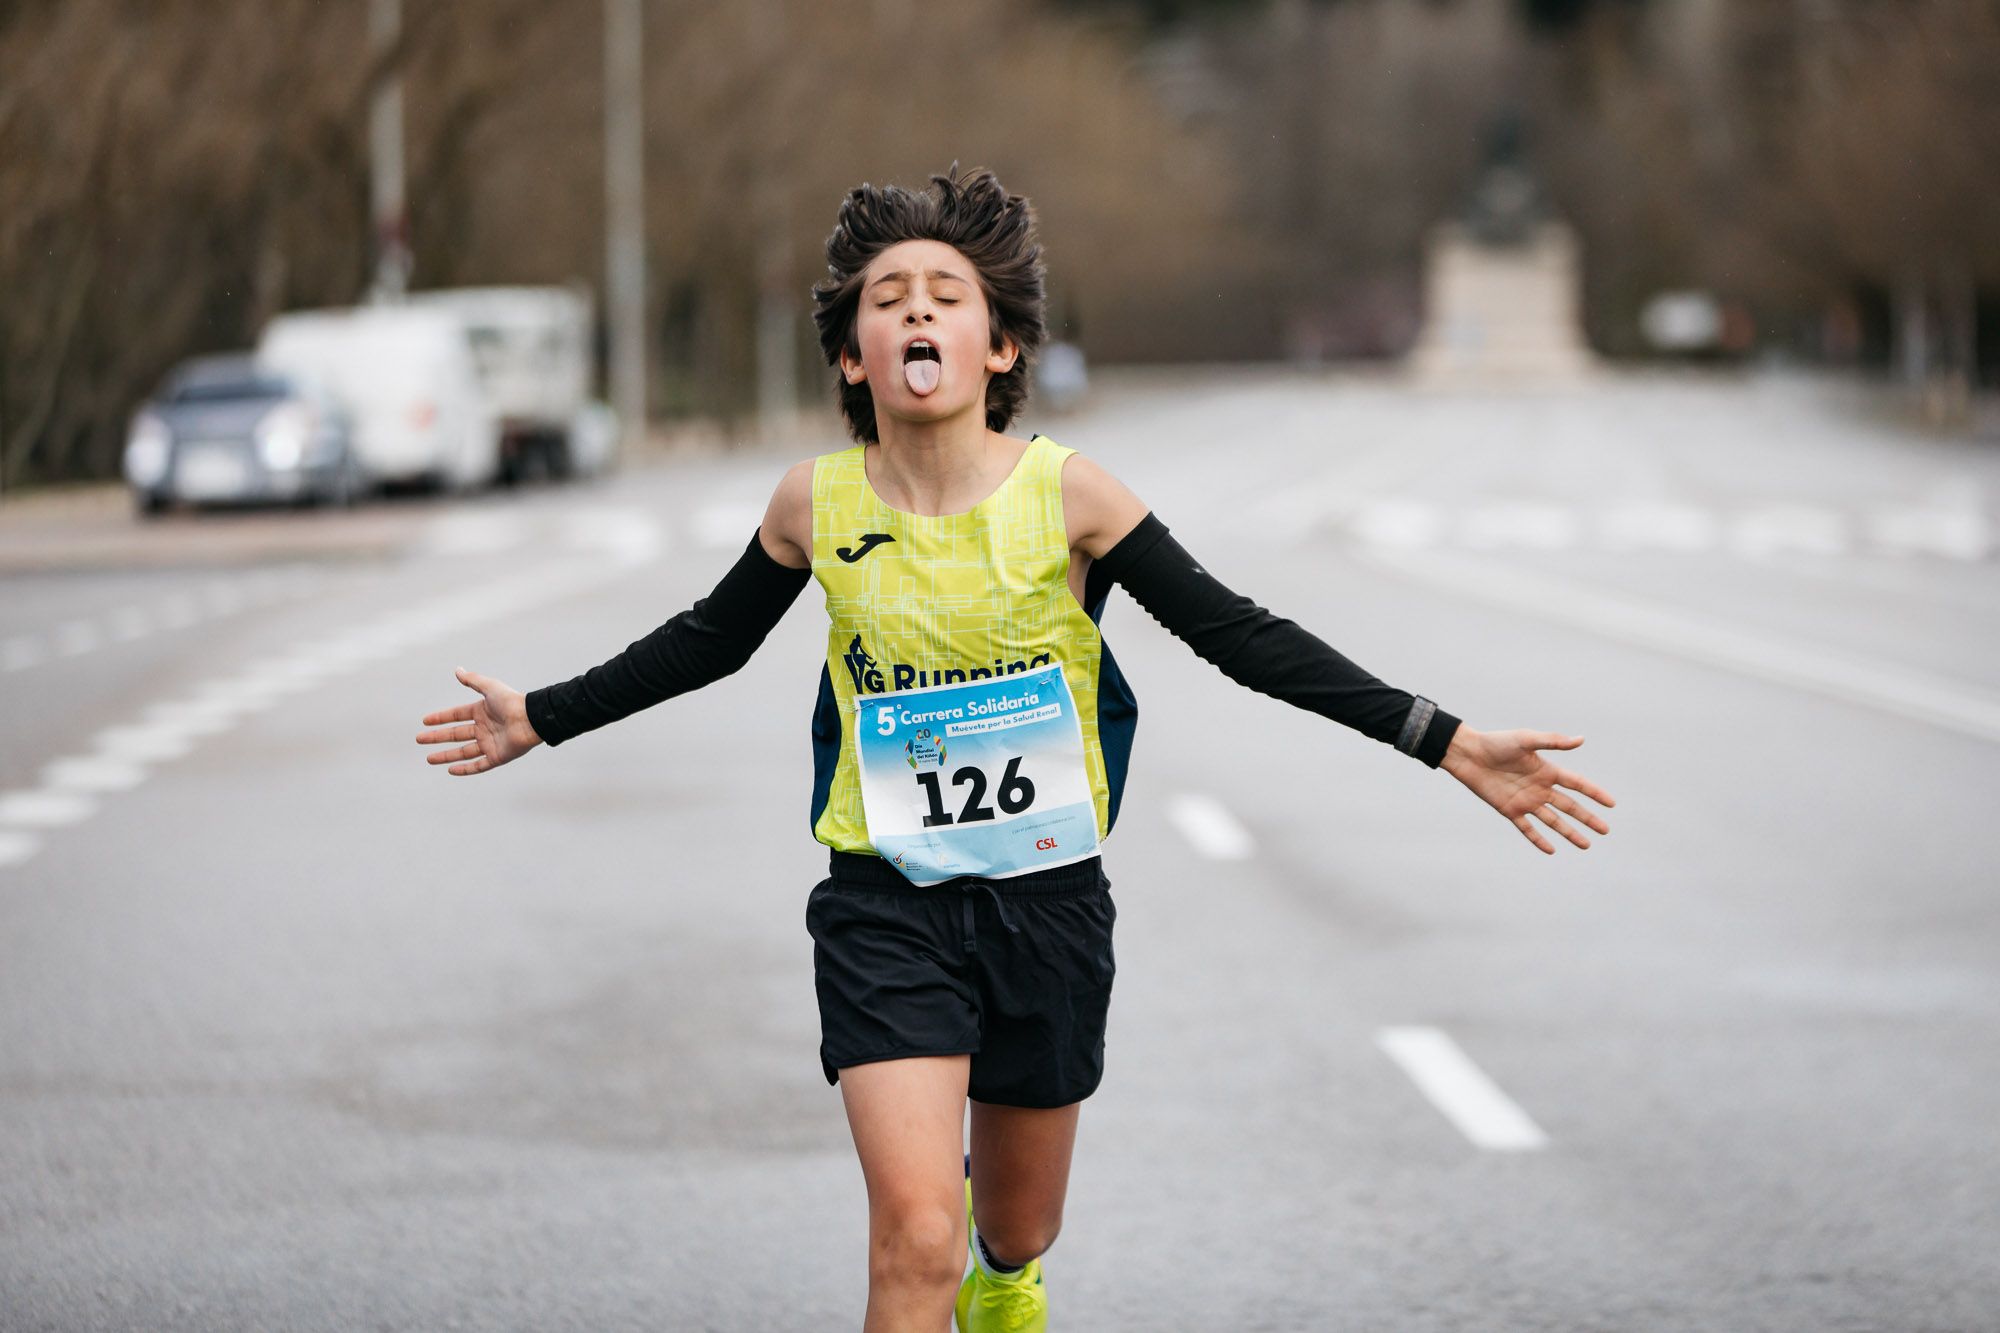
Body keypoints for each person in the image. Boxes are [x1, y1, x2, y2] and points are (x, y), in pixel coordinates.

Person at [415, 165, 1615, 1333]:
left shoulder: (1072, 497)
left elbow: (1240, 636)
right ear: (852, 357)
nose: (916, 310)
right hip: (882, 907)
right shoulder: (811, 506)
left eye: (946, 293)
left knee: (1014, 1230)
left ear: (997, 349)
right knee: (916, 1238)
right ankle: (959, 1268)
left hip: (1045, 905)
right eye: (886, 300)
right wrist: (543, 713)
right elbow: (706, 642)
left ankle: (1010, 1282)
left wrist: (1442, 740)